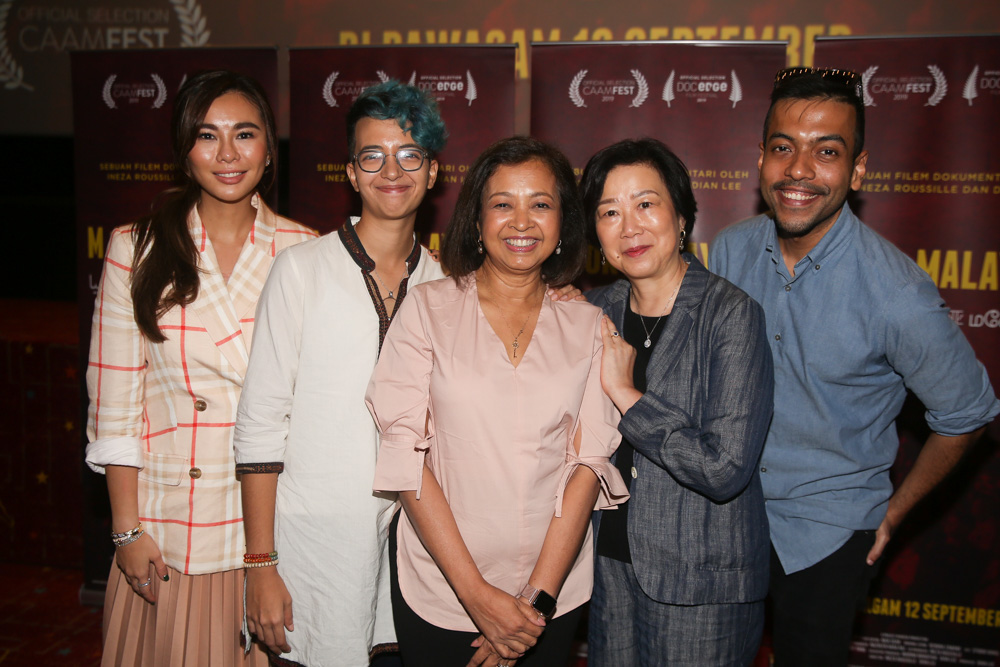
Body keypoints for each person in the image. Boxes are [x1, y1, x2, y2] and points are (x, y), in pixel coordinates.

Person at [709, 67, 1000, 665]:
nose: (799, 170)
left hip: (828, 535)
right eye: (784, 148)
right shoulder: (732, 248)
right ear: (760, 157)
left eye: (827, 151)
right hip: (727, 515)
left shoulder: (896, 292)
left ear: (857, 169)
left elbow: (967, 414)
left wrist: (891, 514)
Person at [364, 136, 628, 667]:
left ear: (562, 223)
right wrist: (479, 599)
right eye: (503, 204)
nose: (522, 221)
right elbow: (404, 456)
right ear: (478, 221)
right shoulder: (427, 309)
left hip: (551, 596)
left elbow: (587, 470)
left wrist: (532, 606)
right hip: (440, 590)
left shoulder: (590, 326)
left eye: (541, 204)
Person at [85, 70, 317, 666]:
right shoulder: (134, 249)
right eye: (207, 136)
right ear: (184, 152)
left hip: (272, 528)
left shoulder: (307, 252)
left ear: (269, 150)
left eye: (245, 135)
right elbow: (116, 405)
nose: (228, 154)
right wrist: (125, 531)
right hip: (170, 531)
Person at [232, 80, 448, 667]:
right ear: (351, 173)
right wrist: (260, 564)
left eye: (410, 155)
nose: (391, 170)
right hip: (313, 546)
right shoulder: (301, 270)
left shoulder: (447, 287)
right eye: (372, 155)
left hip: (416, 550)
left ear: (432, 172)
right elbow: (259, 422)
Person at [579, 138, 774, 666]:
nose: (629, 227)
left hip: (703, 585)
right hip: (610, 571)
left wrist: (628, 397)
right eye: (609, 212)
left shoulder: (732, 315)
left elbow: (724, 467)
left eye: (646, 204)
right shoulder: (593, 310)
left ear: (682, 216)